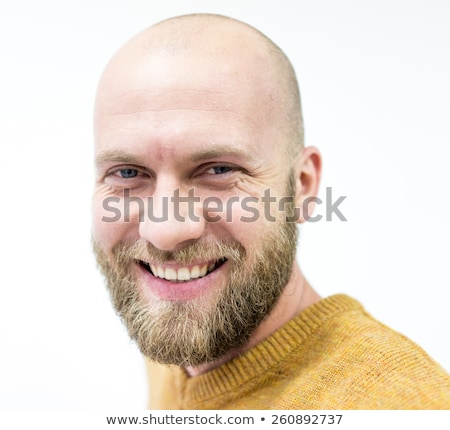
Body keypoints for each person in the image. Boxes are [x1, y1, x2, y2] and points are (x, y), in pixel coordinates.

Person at [91, 13, 450, 409]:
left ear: (302, 186)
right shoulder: (181, 323)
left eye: (219, 170)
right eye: (127, 172)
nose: (165, 231)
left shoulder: (399, 407)